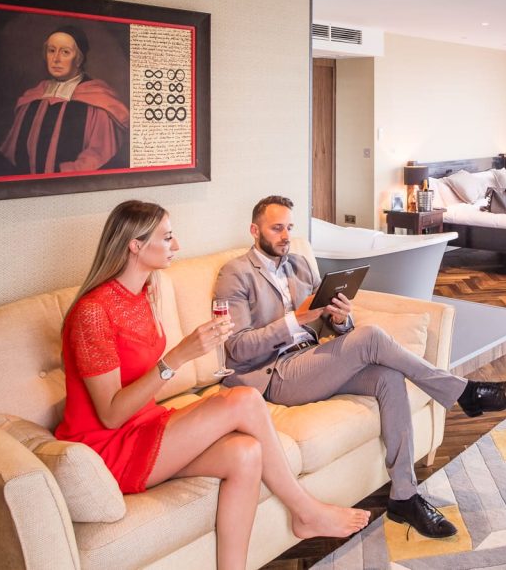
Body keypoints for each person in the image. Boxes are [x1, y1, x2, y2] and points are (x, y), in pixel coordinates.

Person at [55, 200, 369, 569]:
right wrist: (177, 357)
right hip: (108, 446)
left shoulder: (144, 293)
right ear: (135, 245)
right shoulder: (93, 313)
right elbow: (110, 415)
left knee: (246, 453)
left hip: (144, 424)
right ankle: (306, 510)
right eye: (167, 238)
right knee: (244, 400)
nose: (176, 246)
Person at [215, 195, 506, 539]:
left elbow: (326, 323)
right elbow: (237, 347)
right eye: (277, 228)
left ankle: (404, 496)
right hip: (274, 374)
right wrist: (295, 320)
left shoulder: (299, 264)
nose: (286, 236)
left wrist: (340, 319)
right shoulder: (236, 274)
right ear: (254, 230)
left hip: (312, 360)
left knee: (388, 377)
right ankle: (466, 392)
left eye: (289, 227)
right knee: (371, 337)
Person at [0, 24, 130, 175]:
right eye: (51, 51)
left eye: (65, 52)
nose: (56, 59)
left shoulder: (98, 100)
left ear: (79, 59)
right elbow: (11, 150)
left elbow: (99, 155)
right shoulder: (33, 97)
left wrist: (59, 174)